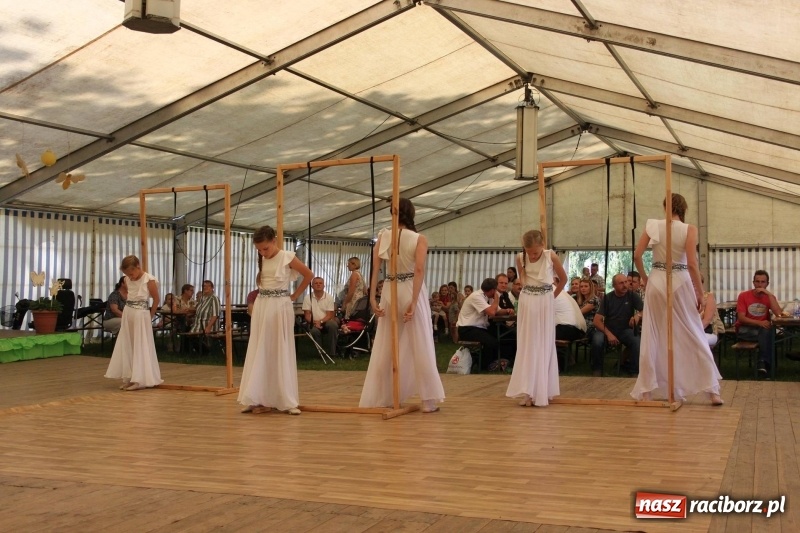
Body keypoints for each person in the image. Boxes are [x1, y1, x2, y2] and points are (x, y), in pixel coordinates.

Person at [631, 194, 723, 405]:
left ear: (666, 207)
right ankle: (712, 391)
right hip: (680, 280)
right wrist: (700, 293)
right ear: (683, 209)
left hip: (656, 279)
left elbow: (637, 255)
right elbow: (692, 264)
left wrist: (645, 278)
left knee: (651, 335)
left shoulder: (653, 225)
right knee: (694, 331)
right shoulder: (689, 229)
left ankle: (646, 392)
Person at [359, 198, 445, 412]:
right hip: (409, 287)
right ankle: (428, 400)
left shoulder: (383, 236)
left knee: (386, 344)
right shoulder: (418, 238)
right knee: (421, 342)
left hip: (389, 289)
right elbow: (419, 270)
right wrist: (414, 301)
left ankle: (383, 396)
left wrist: (373, 297)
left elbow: (375, 268)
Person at [239, 225, 313, 415]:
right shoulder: (263, 258)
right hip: (262, 305)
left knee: (278, 348)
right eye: (259, 250)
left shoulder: (287, 256)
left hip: (279, 305)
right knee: (260, 349)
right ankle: (257, 396)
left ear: (274, 241)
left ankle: (284, 399)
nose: (263, 253)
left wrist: (294, 295)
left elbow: (308, 275)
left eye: (266, 248)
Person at [506, 230, 567, 407]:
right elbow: (523, 279)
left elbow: (563, 279)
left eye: (535, 252)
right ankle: (527, 390)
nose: (532, 256)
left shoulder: (551, 256)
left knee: (543, 343)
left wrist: (551, 297)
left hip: (545, 299)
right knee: (527, 343)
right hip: (527, 300)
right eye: (529, 252)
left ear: (542, 245)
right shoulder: (520, 257)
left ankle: (542, 389)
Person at [104, 255, 162, 391]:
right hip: (128, 313)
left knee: (140, 345)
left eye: (131, 273)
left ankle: (140, 378)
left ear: (138, 267)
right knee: (128, 344)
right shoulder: (126, 280)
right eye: (127, 274)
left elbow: (156, 299)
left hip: (141, 314)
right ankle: (130, 377)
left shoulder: (149, 280)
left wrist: (151, 315)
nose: (130, 277)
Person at [735, 269, 787, 376]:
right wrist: (759, 323)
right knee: (768, 334)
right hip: (745, 328)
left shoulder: (769, 297)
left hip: (762, 329)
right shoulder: (743, 296)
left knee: (766, 332)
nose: (760, 284)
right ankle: (766, 365)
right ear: (753, 282)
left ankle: (762, 364)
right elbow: (741, 318)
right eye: (757, 281)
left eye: (763, 282)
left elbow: (778, 314)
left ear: (767, 284)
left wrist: (769, 295)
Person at [591, 274, 643, 377]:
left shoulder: (632, 296)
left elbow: (644, 310)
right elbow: (596, 321)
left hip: (625, 330)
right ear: (614, 285)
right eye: (621, 283)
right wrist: (609, 334)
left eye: (626, 282)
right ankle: (597, 369)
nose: (625, 285)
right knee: (597, 340)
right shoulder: (608, 298)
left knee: (636, 341)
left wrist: (638, 315)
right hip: (608, 329)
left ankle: (634, 372)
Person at [302, 277, 338, 358]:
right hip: (312, 322)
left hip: (325, 321)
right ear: (312, 286)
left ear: (324, 286)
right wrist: (315, 323)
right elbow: (307, 315)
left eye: (320, 283)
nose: (318, 285)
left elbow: (329, 315)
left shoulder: (329, 297)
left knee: (333, 325)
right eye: (316, 283)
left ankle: (332, 353)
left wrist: (320, 322)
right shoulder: (307, 298)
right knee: (314, 331)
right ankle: (321, 354)